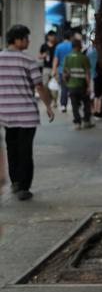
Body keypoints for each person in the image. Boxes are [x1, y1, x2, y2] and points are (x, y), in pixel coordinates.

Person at [0, 25, 55, 201]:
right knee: (25, 150)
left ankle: (16, 181)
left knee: (12, 148)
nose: (28, 41)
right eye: (26, 38)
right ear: (17, 40)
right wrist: (48, 105)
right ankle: (23, 186)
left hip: (7, 115)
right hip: (26, 115)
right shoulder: (27, 60)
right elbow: (39, 86)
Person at [62, 37, 93, 130]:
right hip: (82, 85)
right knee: (86, 103)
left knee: (74, 105)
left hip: (72, 86)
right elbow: (87, 73)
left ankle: (77, 123)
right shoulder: (84, 58)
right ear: (80, 46)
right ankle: (86, 121)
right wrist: (89, 86)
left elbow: (64, 74)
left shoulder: (67, 58)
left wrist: (67, 83)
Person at [52, 30, 76, 112]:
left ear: (63, 37)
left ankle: (63, 105)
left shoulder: (59, 46)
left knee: (63, 88)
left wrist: (54, 70)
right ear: (70, 37)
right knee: (72, 87)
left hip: (61, 70)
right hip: (72, 70)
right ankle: (74, 104)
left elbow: (56, 59)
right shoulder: (72, 46)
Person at [38, 31, 58, 106]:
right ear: (48, 37)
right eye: (51, 36)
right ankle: (49, 99)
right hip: (46, 67)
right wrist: (43, 56)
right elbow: (39, 56)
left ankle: (55, 100)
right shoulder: (44, 46)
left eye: (53, 36)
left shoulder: (57, 45)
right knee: (45, 84)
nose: (52, 37)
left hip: (55, 67)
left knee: (55, 85)